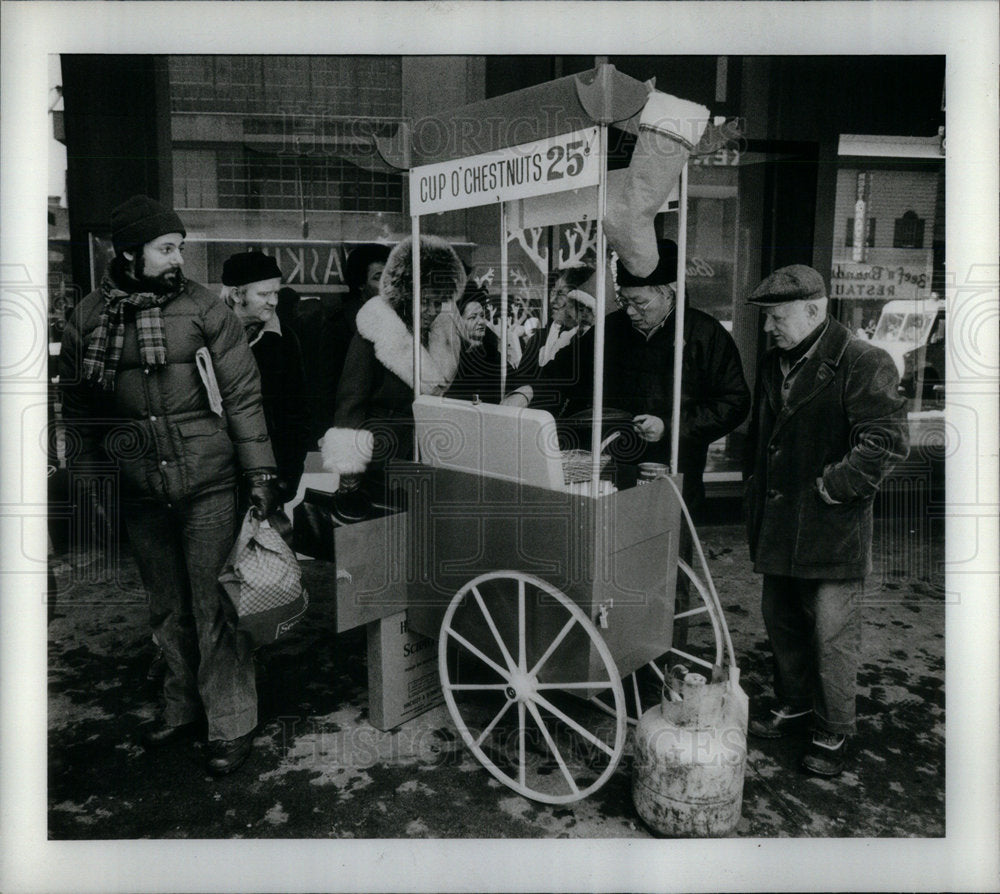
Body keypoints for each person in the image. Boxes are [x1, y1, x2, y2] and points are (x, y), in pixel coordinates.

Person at [58, 195, 280, 776]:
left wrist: (259, 474)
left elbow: (243, 397)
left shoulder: (207, 310)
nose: (177, 257)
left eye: (179, 246)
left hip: (209, 483)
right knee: (166, 609)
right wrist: (92, 488)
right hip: (138, 488)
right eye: (165, 247)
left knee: (216, 607)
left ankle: (231, 725)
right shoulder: (86, 320)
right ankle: (181, 709)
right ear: (129, 253)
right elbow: (80, 417)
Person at [743, 264, 909, 777]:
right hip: (779, 518)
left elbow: (885, 440)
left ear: (815, 310)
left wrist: (838, 484)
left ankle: (833, 727)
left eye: (777, 317)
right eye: (766, 317)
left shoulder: (865, 361)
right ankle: (793, 704)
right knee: (784, 621)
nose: (769, 328)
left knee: (832, 636)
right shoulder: (776, 363)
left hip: (829, 524)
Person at [321, 235, 465, 497]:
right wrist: (349, 469)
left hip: (429, 454)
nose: (432, 310)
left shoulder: (443, 335)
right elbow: (351, 403)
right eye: (425, 301)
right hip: (382, 456)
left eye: (438, 302)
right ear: (405, 295)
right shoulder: (376, 329)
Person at [221, 251, 311, 510]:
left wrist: (287, 478)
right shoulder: (207, 336)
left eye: (276, 293)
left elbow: (296, 414)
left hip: (268, 475)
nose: (273, 301)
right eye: (264, 294)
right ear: (237, 295)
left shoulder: (284, 341)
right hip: (216, 475)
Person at [444, 283, 504, 404]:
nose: (481, 321)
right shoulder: (450, 357)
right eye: (473, 317)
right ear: (459, 323)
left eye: (482, 316)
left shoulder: (493, 354)